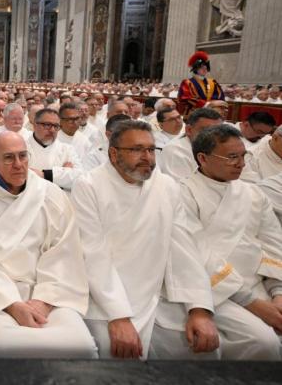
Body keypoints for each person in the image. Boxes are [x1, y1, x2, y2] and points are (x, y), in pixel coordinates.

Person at [72, 120, 219, 360]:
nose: (147, 157)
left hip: (156, 294)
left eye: (151, 149)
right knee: (112, 354)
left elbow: (183, 247)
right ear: (113, 153)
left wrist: (199, 307)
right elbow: (92, 253)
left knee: (202, 348)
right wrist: (118, 315)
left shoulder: (166, 186)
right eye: (137, 150)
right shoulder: (89, 185)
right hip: (104, 296)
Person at [0, 131, 97, 358]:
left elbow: (64, 254)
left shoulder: (50, 194)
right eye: (9, 158)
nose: (18, 165)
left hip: (47, 292)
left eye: (23, 156)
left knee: (81, 345)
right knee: (4, 345)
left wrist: (43, 301)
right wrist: (12, 304)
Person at [180, 125, 282, 359]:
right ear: (202, 158)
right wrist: (254, 303)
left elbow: (273, 243)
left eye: (243, 155)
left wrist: (278, 292)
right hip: (215, 289)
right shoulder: (184, 193)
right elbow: (197, 253)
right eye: (231, 157)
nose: (241, 164)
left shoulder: (253, 193)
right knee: (263, 341)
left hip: (261, 284)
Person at [158, 108, 223, 181]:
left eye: (218, 131)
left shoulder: (219, 146)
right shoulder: (175, 152)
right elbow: (181, 188)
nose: (214, 136)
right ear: (189, 130)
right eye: (207, 131)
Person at [26, 109, 83, 192]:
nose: (52, 130)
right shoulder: (21, 147)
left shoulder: (67, 150)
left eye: (56, 126)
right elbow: (21, 177)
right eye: (47, 125)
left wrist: (45, 175)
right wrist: (64, 173)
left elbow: (79, 178)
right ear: (35, 125)